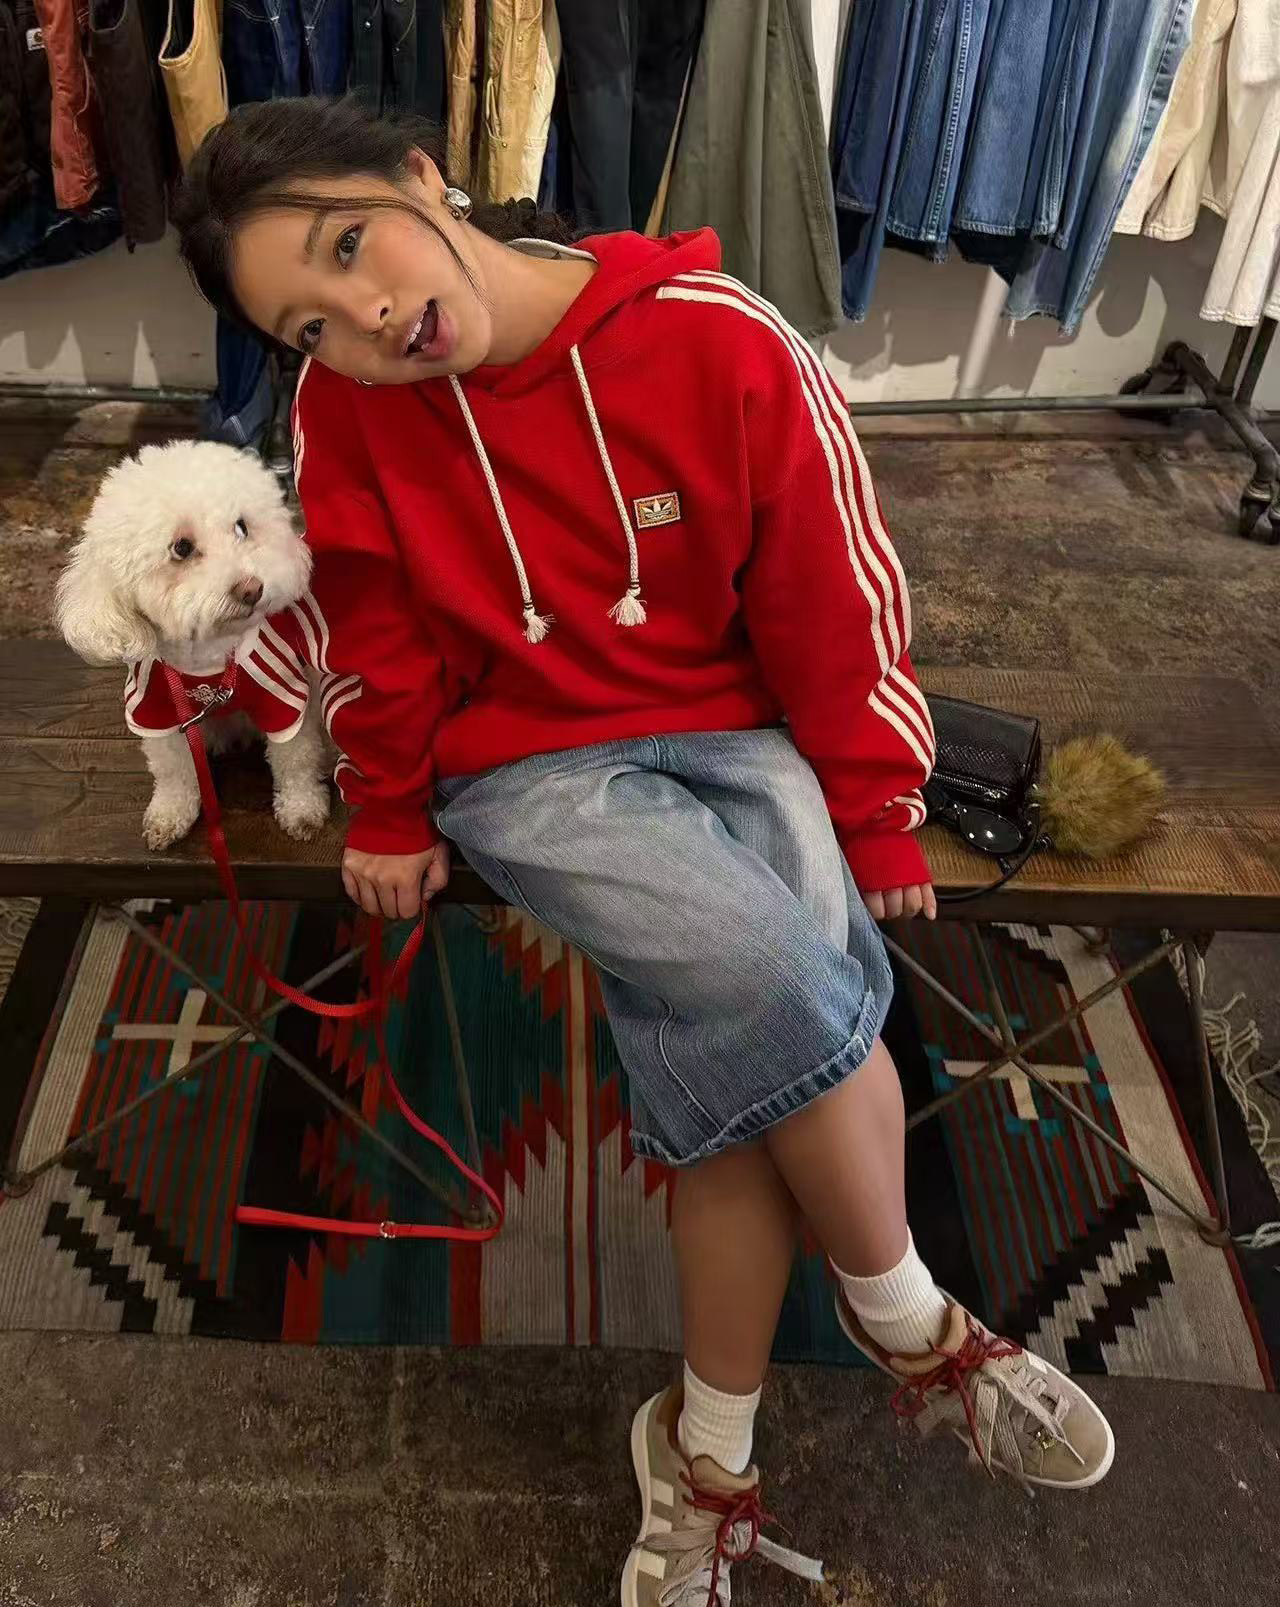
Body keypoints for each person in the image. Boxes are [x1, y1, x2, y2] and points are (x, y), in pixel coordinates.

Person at [174, 96, 1114, 1606]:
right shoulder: (348, 413)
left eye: (351, 248)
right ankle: (910, 1316)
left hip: (739, 729)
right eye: (310, 327)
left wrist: (876, 800)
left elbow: (831, 583)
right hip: (524, 766)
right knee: (778, 973)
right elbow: (375, 626)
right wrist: (393, 807)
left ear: (424, 177)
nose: (364, 321)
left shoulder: (716, 336)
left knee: (741, 1058)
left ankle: (705, 1456)